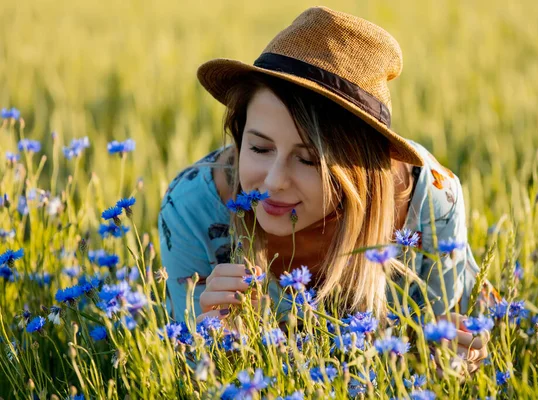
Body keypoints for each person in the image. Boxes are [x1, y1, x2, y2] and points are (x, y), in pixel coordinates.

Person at [158, 6, 490, 374]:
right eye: (259, 148)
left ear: (358, 168)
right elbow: (192, 372)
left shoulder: (430, 204)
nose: (273, 181)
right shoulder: (193, 209)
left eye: (309, 160)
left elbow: (451, 348)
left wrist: (455, 360)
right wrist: (220, 347)